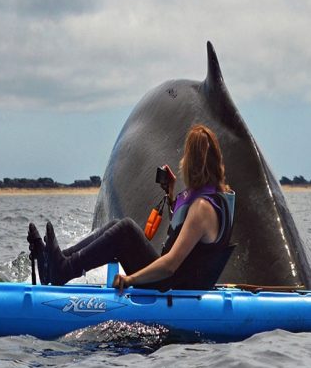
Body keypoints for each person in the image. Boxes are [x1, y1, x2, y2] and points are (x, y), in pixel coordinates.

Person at [26, 124, 236, 291]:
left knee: (125, 230)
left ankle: (61, 270)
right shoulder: (213, 200)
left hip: (171, 284)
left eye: (185, 158)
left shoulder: (202, 208)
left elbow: (172, 263)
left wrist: (130, 279)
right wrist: (171, 196)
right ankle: (56, 262)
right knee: (118, 225)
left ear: (192, 164)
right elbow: (188, 237)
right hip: (177, 280)